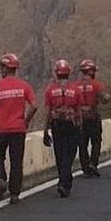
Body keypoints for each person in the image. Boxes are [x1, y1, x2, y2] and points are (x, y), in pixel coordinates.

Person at [0, 52, 36, 204]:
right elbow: (35, 106)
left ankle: (0, 179)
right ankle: (14, 194)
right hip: (18, 129)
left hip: (0, 129)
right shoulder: (24, 86)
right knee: (16, 161)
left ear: (4, 68)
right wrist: (26, 121)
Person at [42, 59, 82, 198]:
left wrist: (45, 130)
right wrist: (80, 125)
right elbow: (79, 110)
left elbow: (47, 112)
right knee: (70, 153)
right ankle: (65, 180)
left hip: (57, 124)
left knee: (59, 153)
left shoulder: (51, 89)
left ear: (56, 73)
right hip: (72, 125)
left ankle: (63, 180)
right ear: (68, 73)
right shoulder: (75, 88)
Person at [74, 59, 106, 177]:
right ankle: (93, 163)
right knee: (96, 141)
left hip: (80, 118)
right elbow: (104, 99)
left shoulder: (75, 85)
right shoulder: (97, 84)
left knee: (82, 143)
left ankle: (85, 167)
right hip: (93, 116)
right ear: (91, 71)